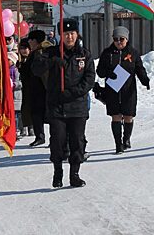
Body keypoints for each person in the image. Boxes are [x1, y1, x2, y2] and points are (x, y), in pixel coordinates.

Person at [32, 19, 95, 188]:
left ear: (77, 34)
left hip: (77, 106)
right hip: (57, 106)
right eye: (66, 34)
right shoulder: (52, 52)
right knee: (58, 141)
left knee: (77, 141)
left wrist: (72, 93)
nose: (69, 37)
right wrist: (51, 62)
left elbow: (89, 79)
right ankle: (57, 171)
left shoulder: (85, 54)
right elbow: (35, 69)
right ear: (61, 35)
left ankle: (75, 173)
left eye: (72, 34)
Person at [96, 26, 150, 154]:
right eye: (116, 39)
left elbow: (139, 69)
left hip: (128, 90)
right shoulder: (107, 53)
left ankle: (126, 139)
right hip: (112, 90)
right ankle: (118, 144)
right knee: (115, 116)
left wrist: (145, 80)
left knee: (128, 116)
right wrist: (108, 72)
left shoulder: (133, 53)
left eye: (121, 39)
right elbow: (100, 71)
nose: (119, 42)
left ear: (126, 39)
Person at [19, 30, 49, 147]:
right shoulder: (35, 53)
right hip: (34, 89)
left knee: (45, 114)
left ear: (35, 41)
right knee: (36, 114)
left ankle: (46, 137)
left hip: (41, 88)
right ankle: (40, 136)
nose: (29, 42)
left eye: (31, 40)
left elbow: (36, 70)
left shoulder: (40, 53)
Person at [16, 38, 33, 137]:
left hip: (31, 87)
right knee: (23, 109)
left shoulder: (32, 59)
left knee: (31, 108)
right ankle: (23, 128)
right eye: (21, 48)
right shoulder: (19, 61)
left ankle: (32, 128)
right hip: (21, 88)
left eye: (25, 48)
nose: (23, 50)